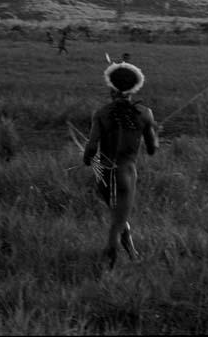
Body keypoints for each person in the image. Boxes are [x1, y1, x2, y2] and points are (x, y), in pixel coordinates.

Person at [83, 61, 159, 269]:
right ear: (134, 88)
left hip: (104, 173)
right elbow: (152, 149)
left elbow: (90, 149)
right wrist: (152, 132)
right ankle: (108, 261)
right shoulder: (145, 114)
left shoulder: (101, 113)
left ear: (112, 88)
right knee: (118, 221)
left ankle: (132, 255)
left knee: (117, 217)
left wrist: (87, 160)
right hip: (126, 173)